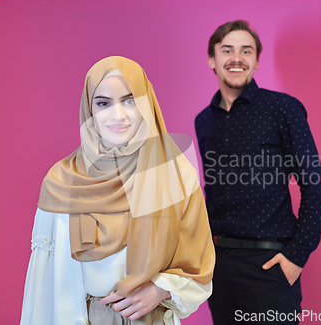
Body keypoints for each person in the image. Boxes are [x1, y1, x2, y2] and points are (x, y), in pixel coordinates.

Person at [21, 56, 215, 325]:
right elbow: (42, 287)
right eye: (103, 103)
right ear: (89, 110)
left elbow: (199, 265)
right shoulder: (61, 182)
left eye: (130, 100)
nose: (118, 115)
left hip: (151, 318)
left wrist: (162, 289)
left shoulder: (176, 175)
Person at [194, 20, 321, 324]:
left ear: (255, 61)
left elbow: (314, 185)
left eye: (246, 51)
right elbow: (211, 190)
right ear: (212, 60)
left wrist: (297, 256)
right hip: (219, 266)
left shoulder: (283, 108)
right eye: (227, 50)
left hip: (270, 265)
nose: (237, 58)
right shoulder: (203, 120)